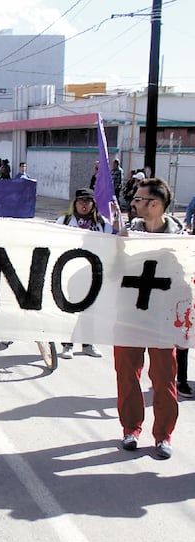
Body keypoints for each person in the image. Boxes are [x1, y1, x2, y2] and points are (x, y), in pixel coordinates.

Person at [116, 177, 184, 459]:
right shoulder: (126, 232)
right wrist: (117, 248)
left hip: (163, 320)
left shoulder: (182, 240)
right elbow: (111, 271)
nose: (133, 203)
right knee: (127, 376)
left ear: (155, 205)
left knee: (164, 379)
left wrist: (185, 329)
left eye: (139, 199)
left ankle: (163, 435)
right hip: (128, 316)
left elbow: (187, 283)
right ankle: (131, 429)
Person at [54, 188, 112, 359]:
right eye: (81, 201)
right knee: (69, 309)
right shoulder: (64, 220)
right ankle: (67, 345)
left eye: (87, 201)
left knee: (90, 310)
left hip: (92, 272)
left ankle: (88, 344)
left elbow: (111, 243)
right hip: (69, 271)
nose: (84, 205)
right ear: (75, 203)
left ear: (93, 203)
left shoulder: (102, 222)